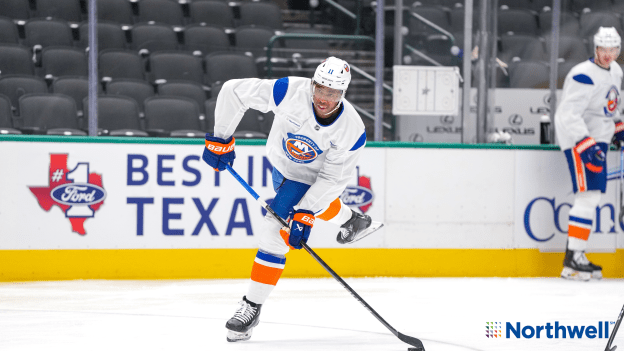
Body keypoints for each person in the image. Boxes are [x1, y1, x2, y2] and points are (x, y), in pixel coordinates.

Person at [201, 57, 383, 341]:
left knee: (273, 231)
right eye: (321, 88)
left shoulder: (352, 129)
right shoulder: (288, 91)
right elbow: (234, 91)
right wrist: (220, 138)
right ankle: (353, 220)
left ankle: (251, 307)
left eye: (333, 93)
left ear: (343, 93)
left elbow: (332, 180)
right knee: (303, 206)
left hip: (314, 178)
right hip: (282, 169)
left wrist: (306, 212)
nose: (324, 98)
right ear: (313, 83)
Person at [554, 27, 624, 281]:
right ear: (595, 48)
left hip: (599, 140)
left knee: (592, 197)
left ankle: (575, 256)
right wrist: (585, 143)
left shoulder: (616, 71)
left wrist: (618, 127)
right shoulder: (583, 75)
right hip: (581, 141)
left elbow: (611, 106)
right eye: (603, 50)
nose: (608, 55)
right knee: (588, 197)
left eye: (613, 50)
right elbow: (567, 115)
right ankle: (573, 258)